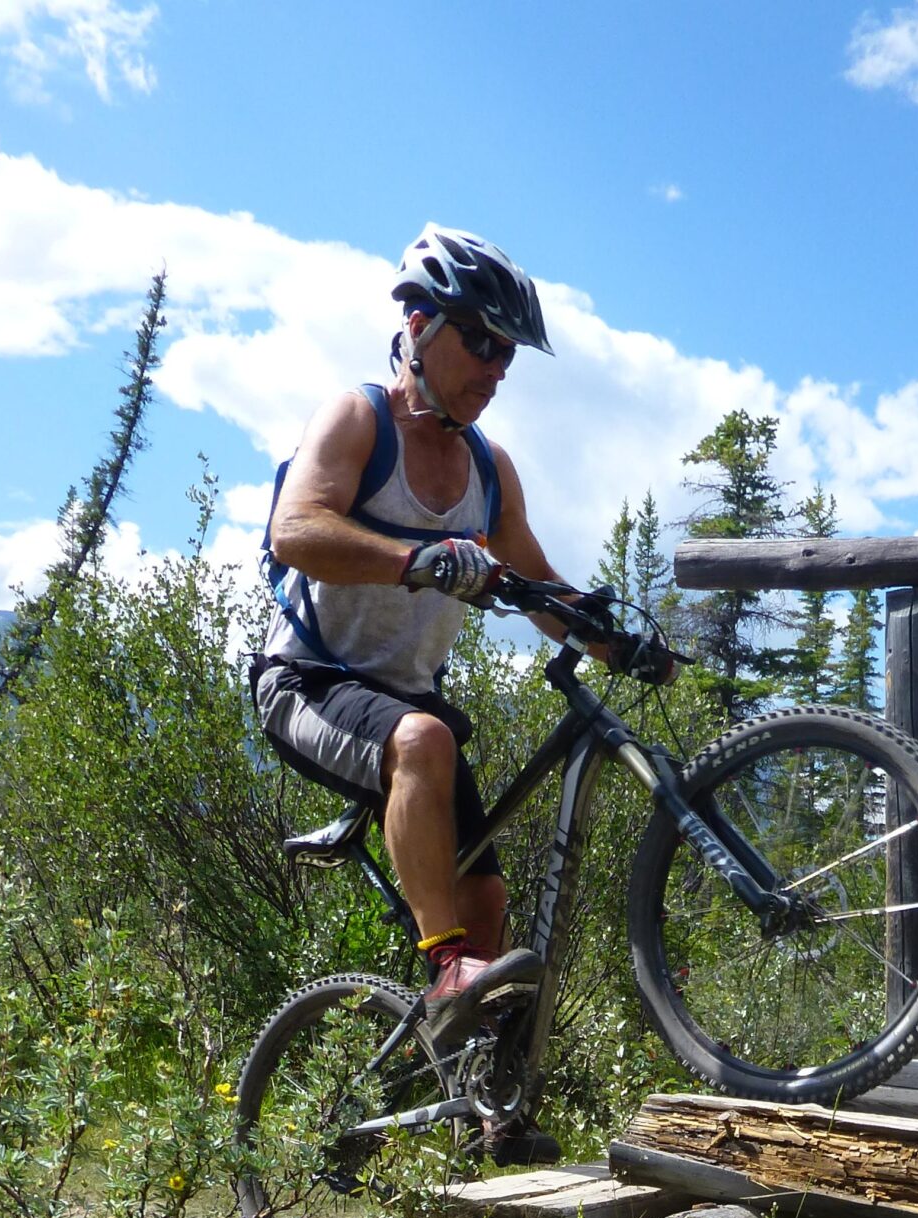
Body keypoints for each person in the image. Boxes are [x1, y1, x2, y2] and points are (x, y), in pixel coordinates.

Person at [252, 223, 660, 1158]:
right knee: (425, 745)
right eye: (482, 341)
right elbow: (296, 531)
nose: (497, 366)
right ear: (420, 323)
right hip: (307, 682)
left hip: (407, 704)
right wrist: (418, 559)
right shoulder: (358, 420)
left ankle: (483, 1118)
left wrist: (612, 641)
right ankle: (441, 974)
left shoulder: (488, 469)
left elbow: (539, 584)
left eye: (509, 352)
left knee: (490, 911)